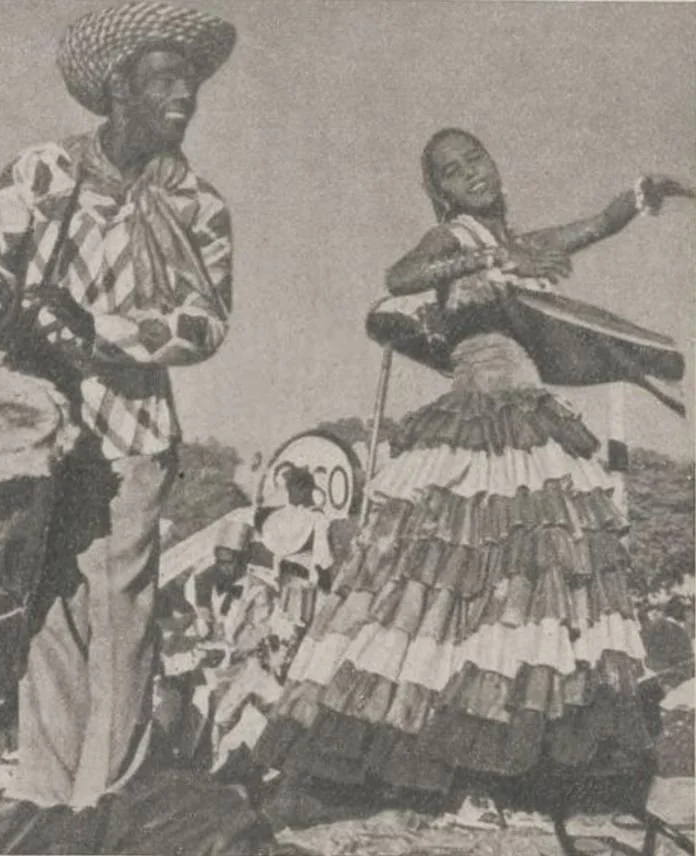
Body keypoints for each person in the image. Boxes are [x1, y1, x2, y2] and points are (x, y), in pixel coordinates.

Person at [254, 128, 693, 819]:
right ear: (442, 192)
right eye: (454, 172)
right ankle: (414, 758)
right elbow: (399, 278)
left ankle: (520, 761)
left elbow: (595, 226)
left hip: (530, 424)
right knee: (440, 587)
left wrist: (642, 194)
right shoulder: (453, 239)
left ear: (495, 163)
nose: (471, 175)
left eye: (476, 160)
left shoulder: (522, 241)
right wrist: (486, 259)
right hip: (476, 422)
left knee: (534, 587)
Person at [0, 1, 235, 810]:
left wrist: (98, 329)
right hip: (39, 424)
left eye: (190, 82)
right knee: (44, 603)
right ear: (120, 88)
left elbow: (205, 323)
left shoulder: (198, 204)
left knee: (122, 611)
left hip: (134, 426)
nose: (184, 94)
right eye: (165, 79)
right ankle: (49, 796)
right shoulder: (43, 169)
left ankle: (106, 797)